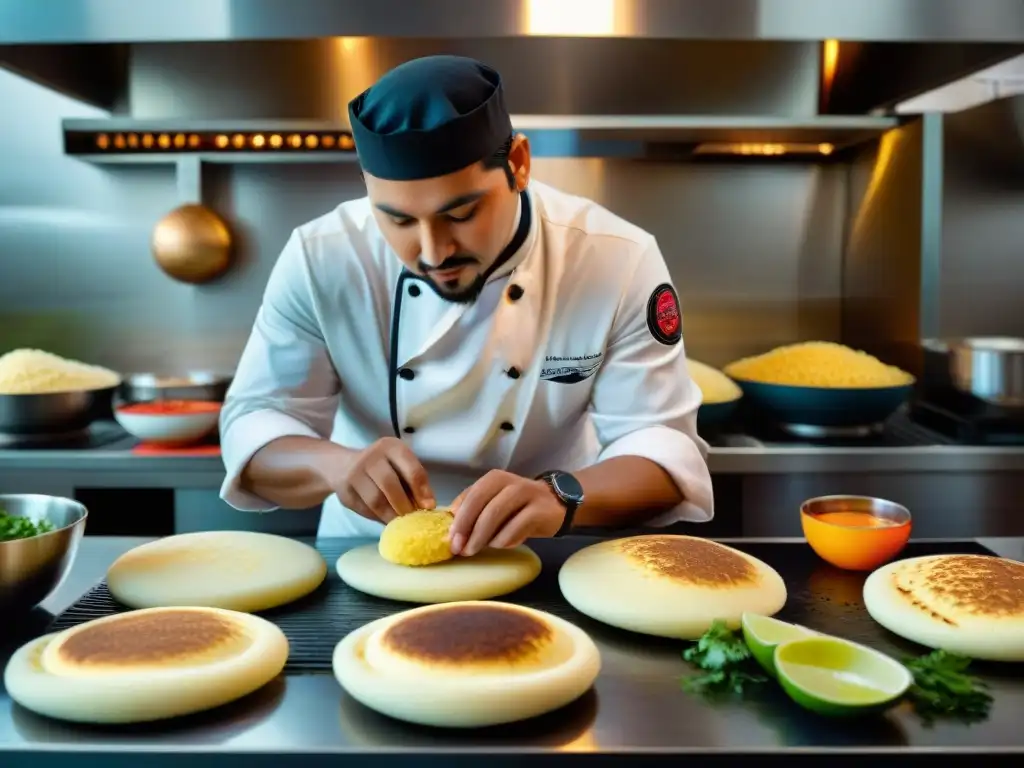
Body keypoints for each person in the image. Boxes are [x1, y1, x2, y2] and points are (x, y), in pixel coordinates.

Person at [219, 54, 713, 556]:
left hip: (547, 554)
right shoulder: (321, 257)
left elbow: (662, 447)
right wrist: (337, 465)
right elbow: (255, 422)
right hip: (371, 557)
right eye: (399, 221)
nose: (433, 252)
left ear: (518, 164)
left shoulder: (615, 258)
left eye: (461, 213)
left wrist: (558, 498)